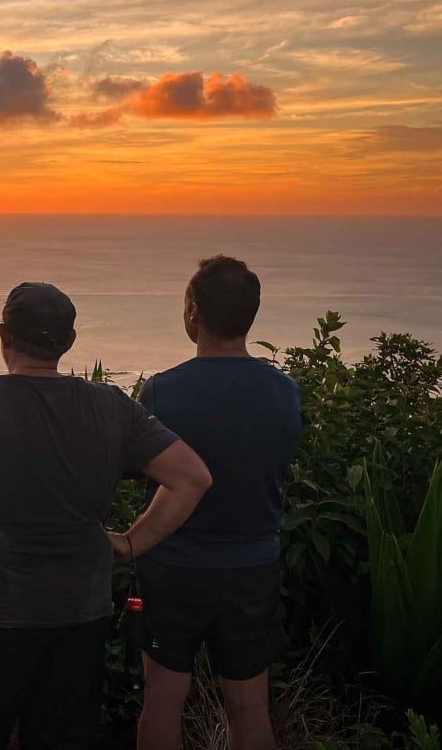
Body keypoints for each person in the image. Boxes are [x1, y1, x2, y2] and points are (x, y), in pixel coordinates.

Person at [0, 282, 213, 750]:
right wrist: (130, 543)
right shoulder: (112, 405)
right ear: (69, 341)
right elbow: (192, 477)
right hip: (79, 615)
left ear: (3, 335)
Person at [128, 257, 303, 750]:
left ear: (193, 312)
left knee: (163, 700)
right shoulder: (284, 391)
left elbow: (143, 467)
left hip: (174, 564)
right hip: (252, 566)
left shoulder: (163, 390)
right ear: (251, 315)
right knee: (250, 705)